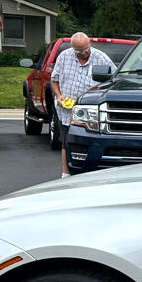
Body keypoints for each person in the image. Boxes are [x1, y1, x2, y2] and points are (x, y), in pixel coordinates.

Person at [50, 33, 113, 178]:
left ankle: (91, 174)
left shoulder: (101, 58)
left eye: (86, 49)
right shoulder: (64, 57)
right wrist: (59, 96)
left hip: (90, 113)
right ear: (73, 49)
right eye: (79, 51)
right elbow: (54, 80)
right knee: (67, 143)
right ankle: (65, 174)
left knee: (90, 143)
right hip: (66, 110)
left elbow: (112, 81)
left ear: (89, 44)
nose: (83, 53)